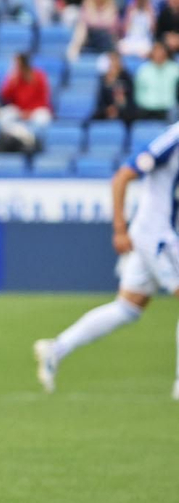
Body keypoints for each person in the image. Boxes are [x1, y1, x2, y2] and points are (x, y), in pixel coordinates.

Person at [35, 123, 179, 399]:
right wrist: (119, 229)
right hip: (156, 234)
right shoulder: (172, 140)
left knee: (128, 307)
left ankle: (56, 349)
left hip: (153, 232)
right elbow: (122, 176)